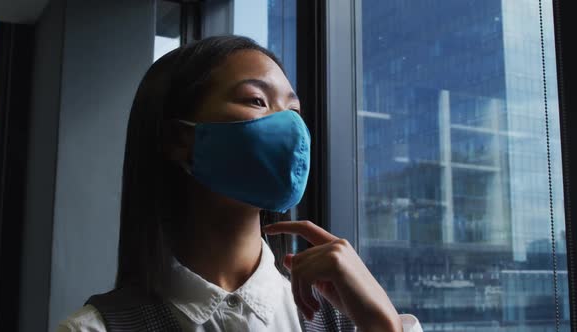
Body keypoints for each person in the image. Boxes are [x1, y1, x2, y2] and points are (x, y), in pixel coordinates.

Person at [57, 35, 423, 332]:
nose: (291, 129)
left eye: (294, 112)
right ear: (177, 137)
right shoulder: (94, 329)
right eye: (256, 100)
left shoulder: (351, 322)